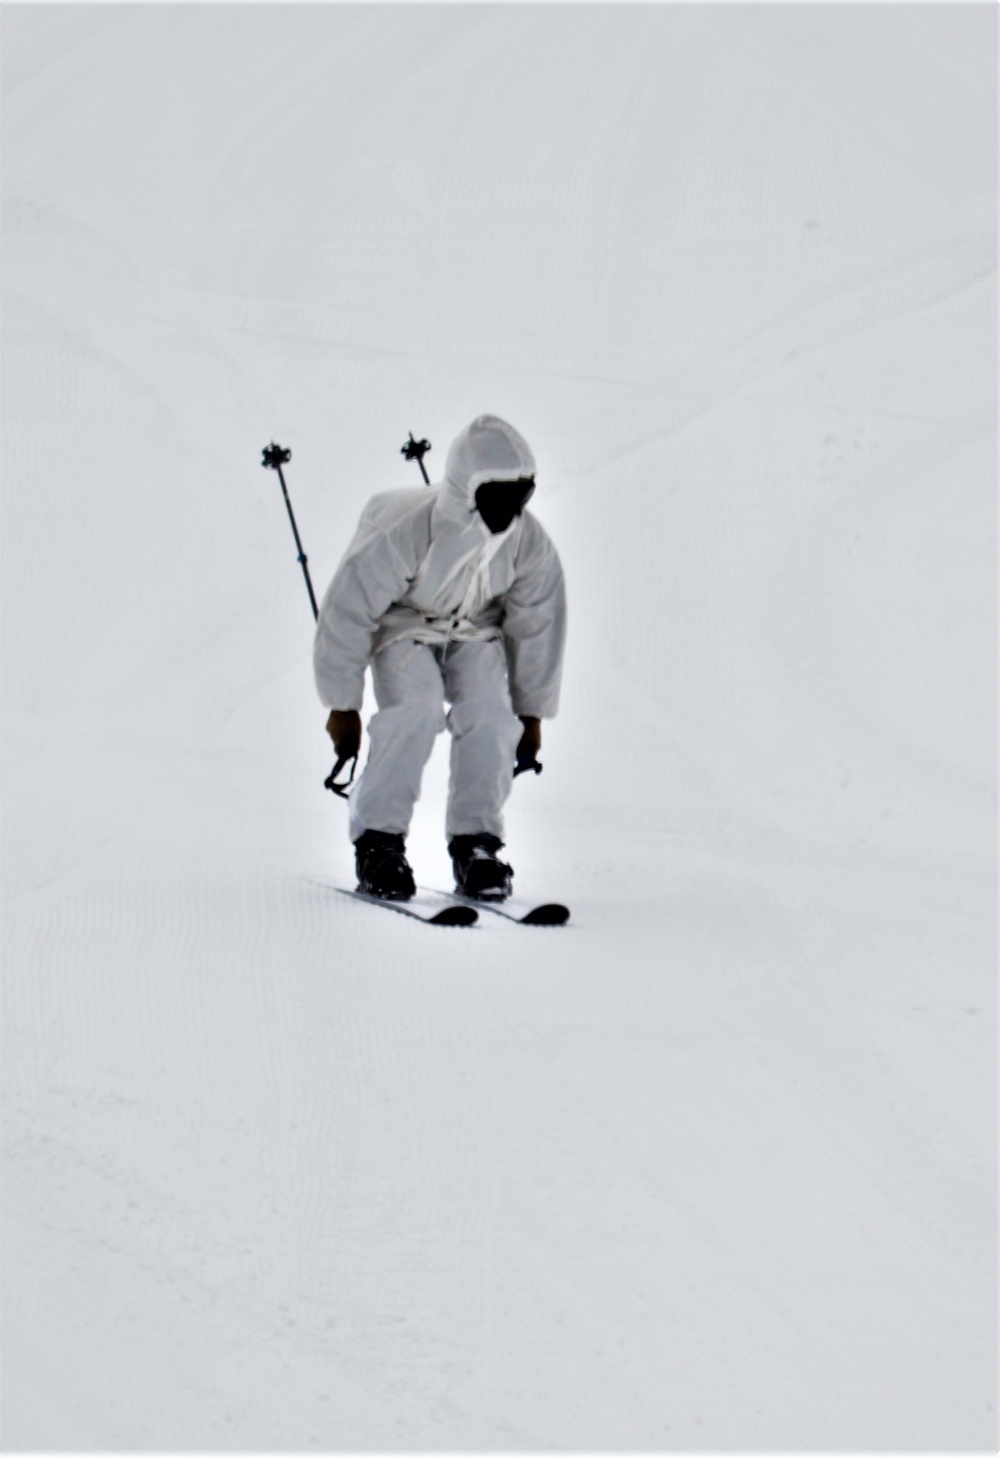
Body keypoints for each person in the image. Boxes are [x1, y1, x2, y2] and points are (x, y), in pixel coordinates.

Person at [314, 414, 566, 902]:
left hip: (475, 629)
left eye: (522, 494)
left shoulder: (527, 542)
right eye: (499, 494)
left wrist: (530, 713)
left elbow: (536, 625)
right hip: (404, 624)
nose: (511, 509)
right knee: (417, 709)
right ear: (466, 488)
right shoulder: (405, 528)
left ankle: (476, 845)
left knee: (491, 717)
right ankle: (379, 843)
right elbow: (348, 611)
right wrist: (341, 704)